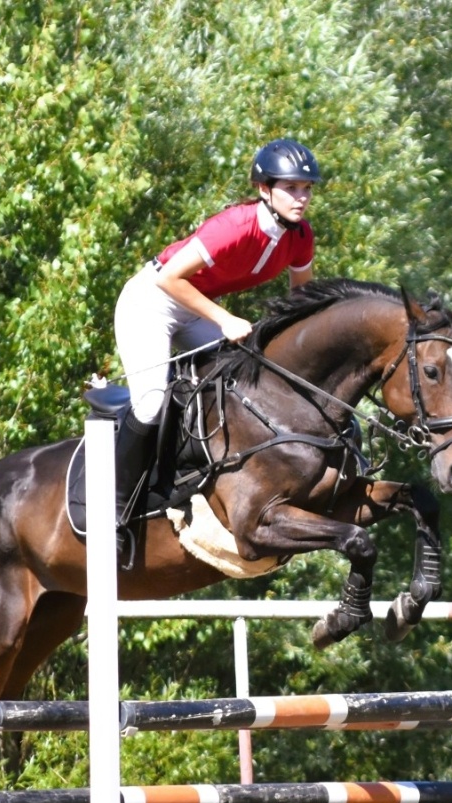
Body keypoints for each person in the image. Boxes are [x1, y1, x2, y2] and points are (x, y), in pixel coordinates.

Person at [111, 138, 320, 546]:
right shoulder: (235, 225)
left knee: (238, 386)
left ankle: (192, 477)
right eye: (292, 188)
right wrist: (224, 319)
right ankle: (117, 508)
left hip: (197, 307)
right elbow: (168, 278)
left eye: (307, 189)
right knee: (152, 401)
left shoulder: (300, 236)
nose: (301, 197)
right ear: (265, 189)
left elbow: (301, 301)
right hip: (153, 301)